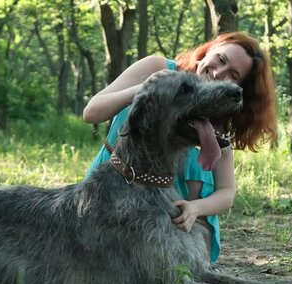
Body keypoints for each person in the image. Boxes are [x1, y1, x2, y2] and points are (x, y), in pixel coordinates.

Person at [83, 32, 276, 264]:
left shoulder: (216, 120)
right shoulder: (157, 68)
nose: (217, 74)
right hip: (114, 184)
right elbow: (91, 112)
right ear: (208, 51)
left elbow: (227, 191)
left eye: (233, 75)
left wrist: (196, 208)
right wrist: (150, 89)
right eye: (221, 60)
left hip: (178, 211)